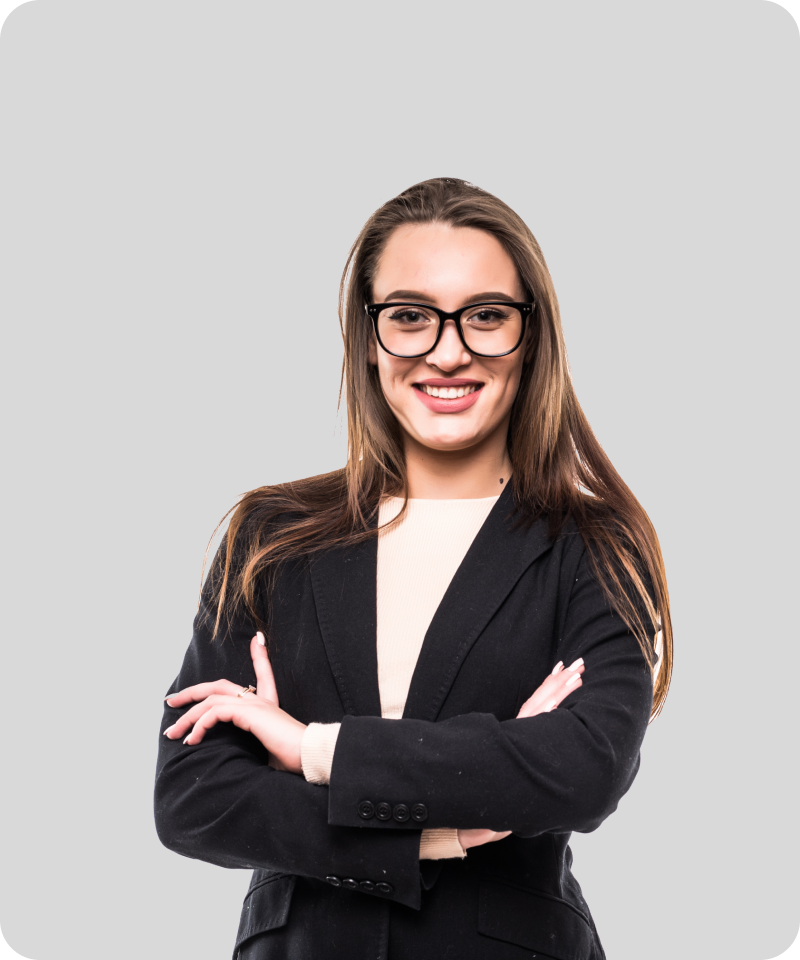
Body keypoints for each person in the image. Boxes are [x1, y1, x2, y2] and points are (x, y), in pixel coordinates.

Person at [154, 177, 673, 960]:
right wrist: (438, 828)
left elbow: (585, 767)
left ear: (531, 336)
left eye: (487, 317)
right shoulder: (272, 536)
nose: (448, 350)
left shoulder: (591, 544)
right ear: (368, 336)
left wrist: (311, 752)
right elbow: (194, 799)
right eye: (409, 317)